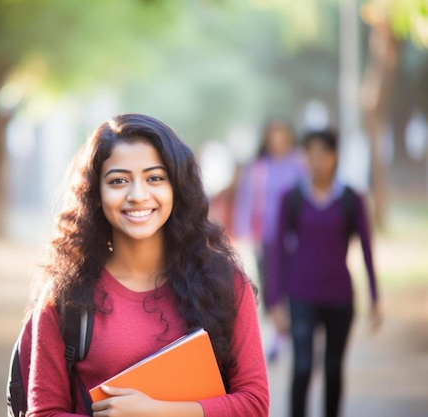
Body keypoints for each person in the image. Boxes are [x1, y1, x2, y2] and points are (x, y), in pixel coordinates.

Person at [21, 114, 269, 416]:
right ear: (95, 194)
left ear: (176, 188)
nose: (137, 195)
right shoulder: (65, 295)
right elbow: (43, 412)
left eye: (155, 178)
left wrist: (157, 412)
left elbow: (255, 404)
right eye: (118, 181)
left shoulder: (224, 284)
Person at [267, 129, 382, 417]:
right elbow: (277, 252)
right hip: (301, 293)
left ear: (335, 157)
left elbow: (367, 249)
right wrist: (275, 301)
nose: (317, 161)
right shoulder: (291, 198)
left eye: (324, 154)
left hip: (339, 296)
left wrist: (375, 297)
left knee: (333, 368)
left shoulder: (350, 199)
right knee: (303, 366)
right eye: (311, 154)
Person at [232, 118, 306, 360]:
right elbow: (245, 199)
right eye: (273, 137)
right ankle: (278, 334)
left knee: (294, 285)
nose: (278, 142)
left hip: (296, 237)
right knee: (271, 286)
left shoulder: (299, 163)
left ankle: (296, 333)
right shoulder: (258, 167)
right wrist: (243, 231)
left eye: (282, 136)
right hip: (266, 237)